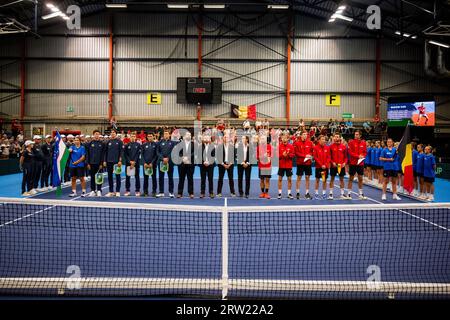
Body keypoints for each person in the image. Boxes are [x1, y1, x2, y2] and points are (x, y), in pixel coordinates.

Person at [346, 130, 367, 200]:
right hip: (353, 163)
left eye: (357, 134)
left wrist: (362, 156)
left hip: (360, 163)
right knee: (351, 178)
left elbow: (365, 152)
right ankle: (348, 194)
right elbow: (350, 152)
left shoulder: (363, 143)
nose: (356, 135)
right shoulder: (351, 142)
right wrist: (358, 156)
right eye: (355, 134)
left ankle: (360, 194)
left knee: (360, 178)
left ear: (360, 135)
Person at [293, 131, 313, 200]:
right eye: (304, 134)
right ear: (301, 135)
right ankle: (298, 193)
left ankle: (307, 193)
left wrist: (309, 155)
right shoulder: (297, 143)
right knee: (299, 178)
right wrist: (305, 155)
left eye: (306, 134)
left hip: (308, 163)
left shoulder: (310, 143)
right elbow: (296, 153)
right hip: (300, 163)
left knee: (307, 178)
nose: (305, 136)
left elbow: (311, 151)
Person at [157, 129, 176, 198]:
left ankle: (171, 192)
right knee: (161, 177)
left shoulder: (172, 143)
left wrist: (167, 158)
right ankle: (161, 192)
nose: (166, 135)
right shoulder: (159, 143)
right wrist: (163, 159)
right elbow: (157, 152)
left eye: (167, 133)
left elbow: (173, 152)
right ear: (163, 135)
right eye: (165, 134)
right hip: (161, 162)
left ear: (169, 135)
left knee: (170, 177)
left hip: (170, 162)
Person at [103, 129, 123, 197]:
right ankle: (111, 191)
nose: (112, 133)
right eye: (111, 132)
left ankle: (117, 191)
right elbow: (105, 152)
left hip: (116, 162)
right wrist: (105, 161)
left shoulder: (119, 141)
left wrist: (120, 161)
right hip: (109, 162)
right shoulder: (107, 142)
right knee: (110, 177)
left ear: (116, 133)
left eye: (114, 132)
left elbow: (121, 152)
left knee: (117, 176)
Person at [176, 131, 195, 199]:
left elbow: (194, 152)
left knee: (190, 179)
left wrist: (188, 157)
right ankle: (179, 193)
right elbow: (178, 152)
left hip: (190, 164)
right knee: (181, 179)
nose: (188, 136)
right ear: (184, 137)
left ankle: (191, 193)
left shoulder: (194, 144)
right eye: (187, 135)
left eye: (189, 135)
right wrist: (183, 158)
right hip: (182, 164)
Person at [86, 130, 104, 197]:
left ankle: (99, 190)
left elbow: (103, 154)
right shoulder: (89, 144)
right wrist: (88, 163)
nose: (97, 135)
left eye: (98, 134)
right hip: (91, 163)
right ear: (93, 135)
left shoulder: (102, 144)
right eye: (95, 134)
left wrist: (101, 163)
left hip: (99, 164)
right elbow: (87, 154)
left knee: (99, 177)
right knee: (92, 177)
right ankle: (93, 190)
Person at [329, 132, 347, 200]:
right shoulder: (330, 146)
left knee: (341, 180)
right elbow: (329, 156)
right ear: (333, 138)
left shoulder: (343, 147)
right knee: (332, 179)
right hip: (333, 166)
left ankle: (342, 194)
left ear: (339, 138)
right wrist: (332, 162)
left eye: (337, 137)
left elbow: (346, 157)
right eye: (335, 136)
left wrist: (344, 163)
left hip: (341, 166)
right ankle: (331, 194)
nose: (336, 138)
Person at [277, 132, 294, 199]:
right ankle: (279, 193)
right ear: (281, 139)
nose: (284, 139)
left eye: (285, 138)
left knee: (289, 179)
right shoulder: (279, 146)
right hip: (281, 165)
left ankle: (289, 193)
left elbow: (293, 155)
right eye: (283, 138)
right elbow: (277, 156)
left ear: (288, 139)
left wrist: (288, 155)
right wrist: (282, 155)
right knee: (280, 179)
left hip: (288, 166)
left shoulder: (291, 146)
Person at [313, 135, 331, 200]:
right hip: (318, 167)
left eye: (324, 139)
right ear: (319, 140)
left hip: (325, 168)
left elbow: (329, 157)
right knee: (317, 180)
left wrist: (325, 165)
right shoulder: (315, 148)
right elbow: (315, 157)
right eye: (322, 139)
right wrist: (321, 165)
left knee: (324, 180)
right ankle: (316, 194)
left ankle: (324, 194)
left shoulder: (327, 148)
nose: (324, 141)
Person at [124, 132, 141, 197]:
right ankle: (127, 190)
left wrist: (134, 162)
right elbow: (125, 155)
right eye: (132, 136)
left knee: (137, 177)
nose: (133, 137)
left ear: (135, 137)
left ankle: (137, 190)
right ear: (130, 137)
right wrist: (130, 161)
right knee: (127, 177)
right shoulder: (127, 145)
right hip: (128, 164)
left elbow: (138, 154)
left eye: (134, 136)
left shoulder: (138, 145)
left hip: (136, 164)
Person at [142, 132, 159, 197]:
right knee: (145, 179)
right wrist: (144, 163)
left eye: (151, 136)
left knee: (154, 178)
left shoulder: (156, 144)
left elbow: (156, 155)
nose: (149, 137)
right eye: (148, 136)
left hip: (153, 165)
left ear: (153, 137)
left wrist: (152, 163)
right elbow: (142, 155)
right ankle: (145, 192)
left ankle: (154, 192)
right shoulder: (144, 145)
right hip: (145, 165)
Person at [257, 134, 272, 199]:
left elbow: (272, 156)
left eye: (264, 139)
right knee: (262, 180)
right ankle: (262, 192)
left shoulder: (270, 147)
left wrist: (268, 157)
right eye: (261, 139)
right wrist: (263, 156)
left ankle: (266, 193)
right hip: (261, 166)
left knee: (267, 180)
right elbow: (257, 157)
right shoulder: (258, 147)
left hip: (268, 166)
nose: (262, 140)